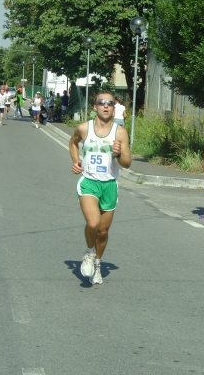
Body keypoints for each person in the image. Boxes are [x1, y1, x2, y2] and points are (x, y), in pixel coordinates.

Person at [69, 90, 132, 285]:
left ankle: (97, 264)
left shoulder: (119, 132)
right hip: (89, 182)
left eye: (110, 103)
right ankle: (89, 253)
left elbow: (127, 163)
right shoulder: (83, 128)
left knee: (103, 232)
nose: (106, 105)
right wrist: (76, 160)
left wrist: (119, 153)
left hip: (109, 185)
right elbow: (73, 142)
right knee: (93, 224)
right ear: (94, 107)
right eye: (101, 102)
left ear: (114, 109)